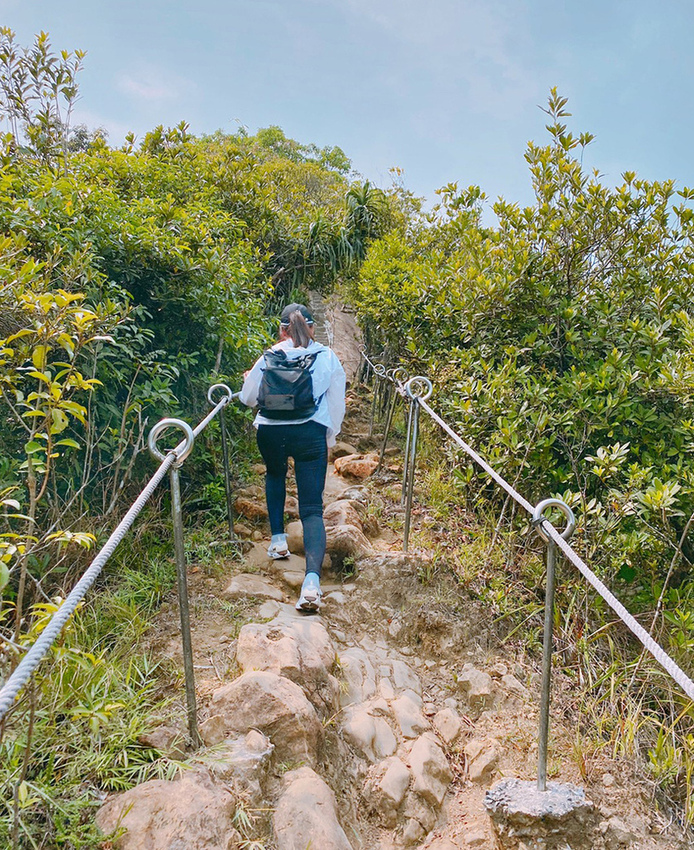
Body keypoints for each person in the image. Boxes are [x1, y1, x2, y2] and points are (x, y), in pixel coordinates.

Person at [240, 303, 346, 611]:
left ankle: (277, 541)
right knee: (312, 509)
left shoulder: (269, 355)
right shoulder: (326, 357)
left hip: (271, 432)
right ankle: (311, 584)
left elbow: (248, 399)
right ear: (311, 327)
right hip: (310, 434)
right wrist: (330, 436)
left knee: (274, 475)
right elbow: (336, 404)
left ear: (281, 329)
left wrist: (252, 378)